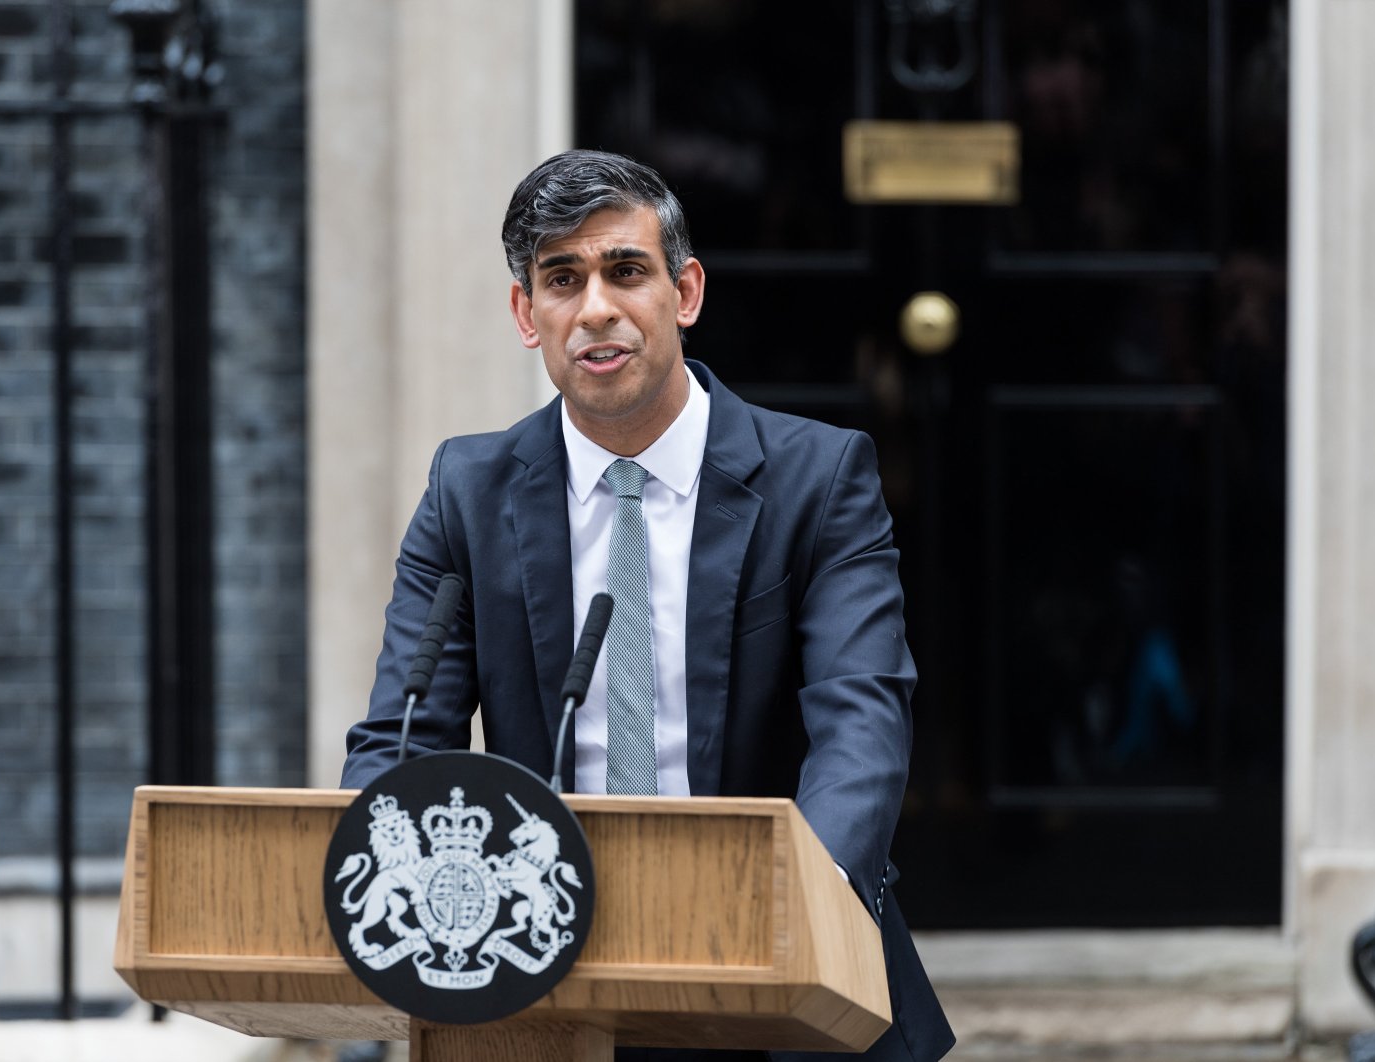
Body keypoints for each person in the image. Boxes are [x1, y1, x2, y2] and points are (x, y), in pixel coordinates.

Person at [342, 149, 954, 1062]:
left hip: (778, 976)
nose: (596, 309)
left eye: (625, 271)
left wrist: (801, 915)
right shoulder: (466, 492)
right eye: (562, 279)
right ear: (526, 313)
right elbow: (402, 736)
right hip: (536, 982)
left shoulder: (818, 480)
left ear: (686, 291)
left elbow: (860, 721)